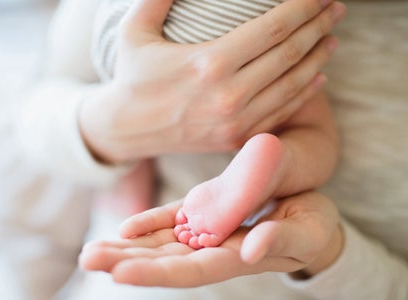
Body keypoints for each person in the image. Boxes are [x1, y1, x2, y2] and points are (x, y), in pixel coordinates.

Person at [0, 0, 407, 299]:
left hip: (144, 31)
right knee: (310, 134)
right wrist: (112, 123)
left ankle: (126, 197)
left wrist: (115, 124)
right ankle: (277, 162)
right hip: (263, 31)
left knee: (109, 77)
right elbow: (30, 113)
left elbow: (41, 97)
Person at [89, 0, 338, 250]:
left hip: (124, 30)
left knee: (117, 85)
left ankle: (131, 177)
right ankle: (278, 164)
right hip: (242, 26)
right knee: (312, 133)